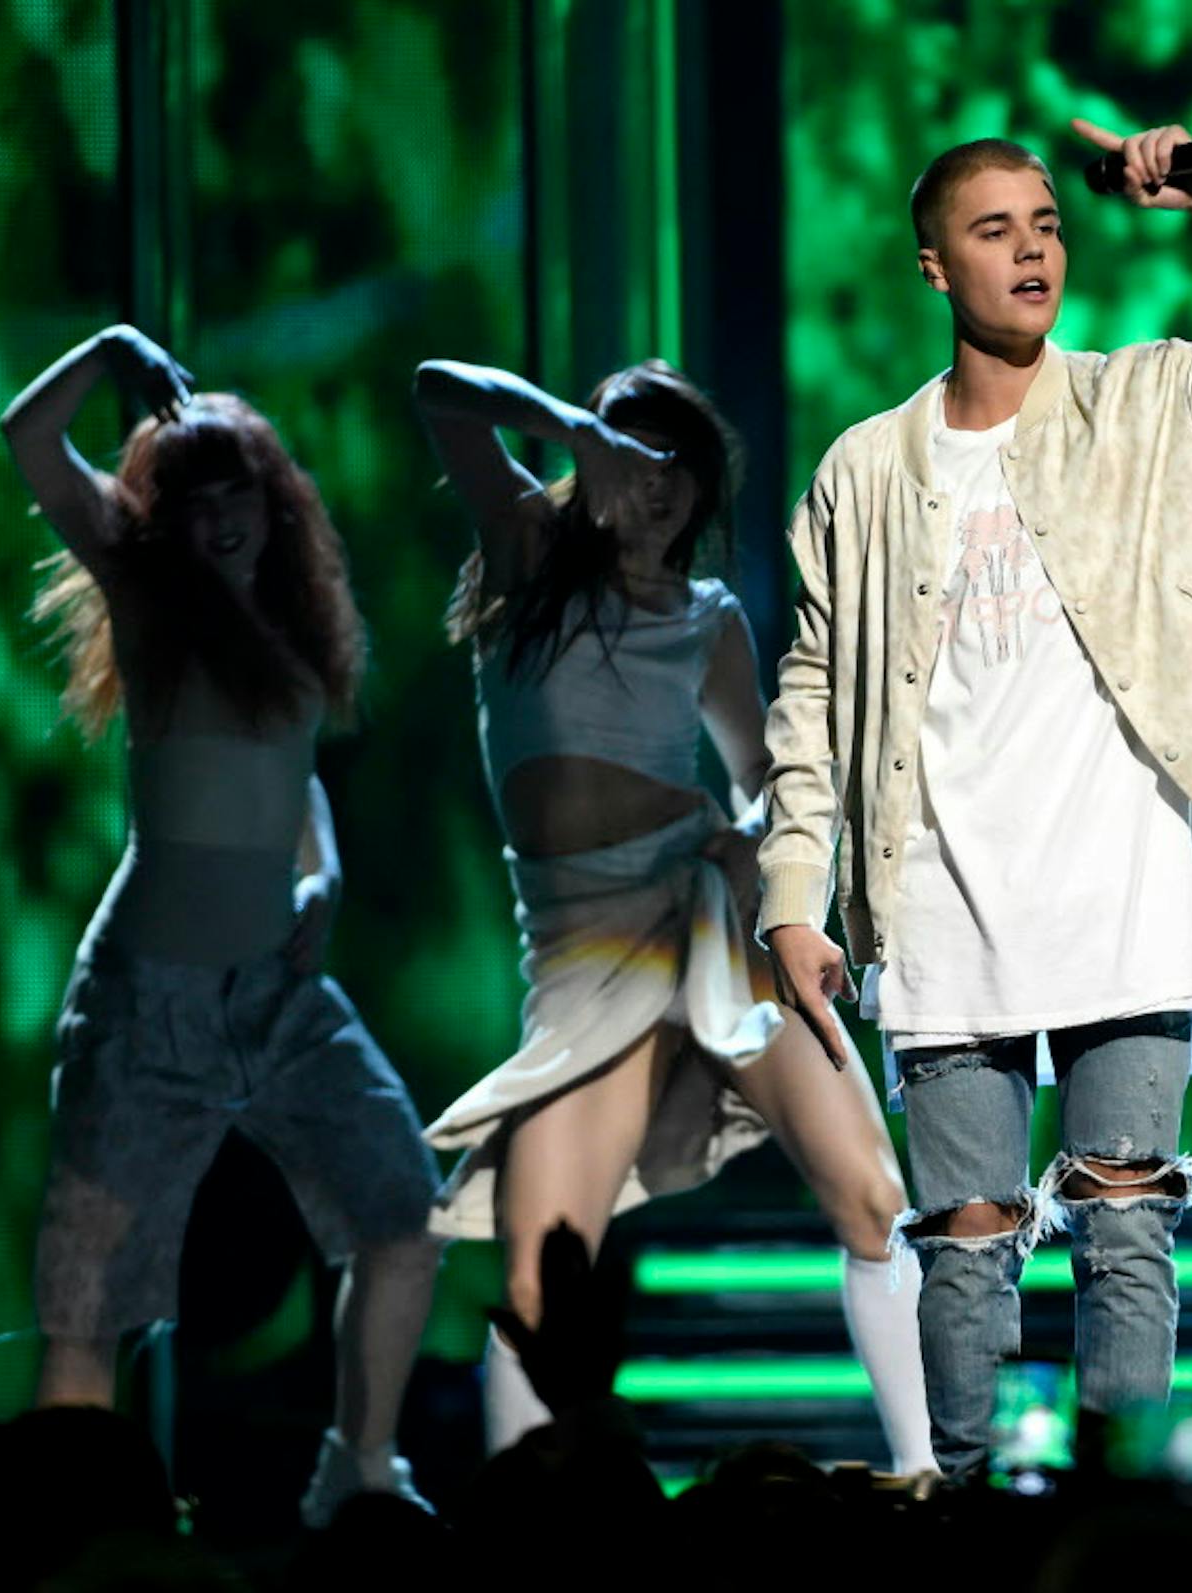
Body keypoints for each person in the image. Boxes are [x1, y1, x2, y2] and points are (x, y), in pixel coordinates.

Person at [759, 119, 1192, 1475]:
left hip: (1124, 884)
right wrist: (793, 897)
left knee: (1127, 1226)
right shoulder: (865, 470)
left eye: (1046, 223)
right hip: (940, 900)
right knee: (968, 1244)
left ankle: (1123, 1524)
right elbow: (809, 697)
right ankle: (970, 1518)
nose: (1034, 247)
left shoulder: (1148, 399)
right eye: (997, 230)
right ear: (934, 268)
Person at [412, 356, 934, 1473]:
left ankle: (930, 1474)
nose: (654, 486)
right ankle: (537, 1538)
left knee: (874, 1198)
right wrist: (568, 429)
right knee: (540, 1270)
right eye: (630, 458)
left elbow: (767, 782)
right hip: (582, 947)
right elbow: (438, 393)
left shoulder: (706, 617)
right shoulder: (528, 554)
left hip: (704, 920)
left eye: (676, 468)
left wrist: (751, 842)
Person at [1, 326, 443, 1525]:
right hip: (149, 996)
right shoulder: (149, 597)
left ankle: (358, 1472)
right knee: (86, 1298)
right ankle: (65, 1539)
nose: (220, 518)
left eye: (235, 488)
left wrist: (328, 873)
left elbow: (291, 776)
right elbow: (28, 440)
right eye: (190, 500)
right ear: (166, 521)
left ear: (271, 497)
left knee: (404, 1213)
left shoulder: (292, 632)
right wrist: (112, 350)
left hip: (279, 996)